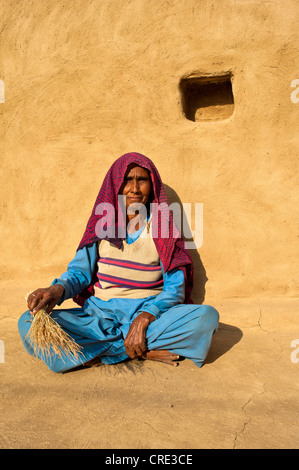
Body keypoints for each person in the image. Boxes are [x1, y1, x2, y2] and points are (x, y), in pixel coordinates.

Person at [18, 153, 219, 373]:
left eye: (141, 180)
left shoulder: (162, 226)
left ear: (152, 186)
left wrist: (144, 318)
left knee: (206, 318)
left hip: (149, 316)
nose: (134, 188)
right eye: (127, 180)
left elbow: (175, 288)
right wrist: (56, 289)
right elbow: (79, 273)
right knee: (28, 324)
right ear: (115, 185)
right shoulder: (102, 223)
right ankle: (138, 350)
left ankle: (100, 352)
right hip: (99, 317)